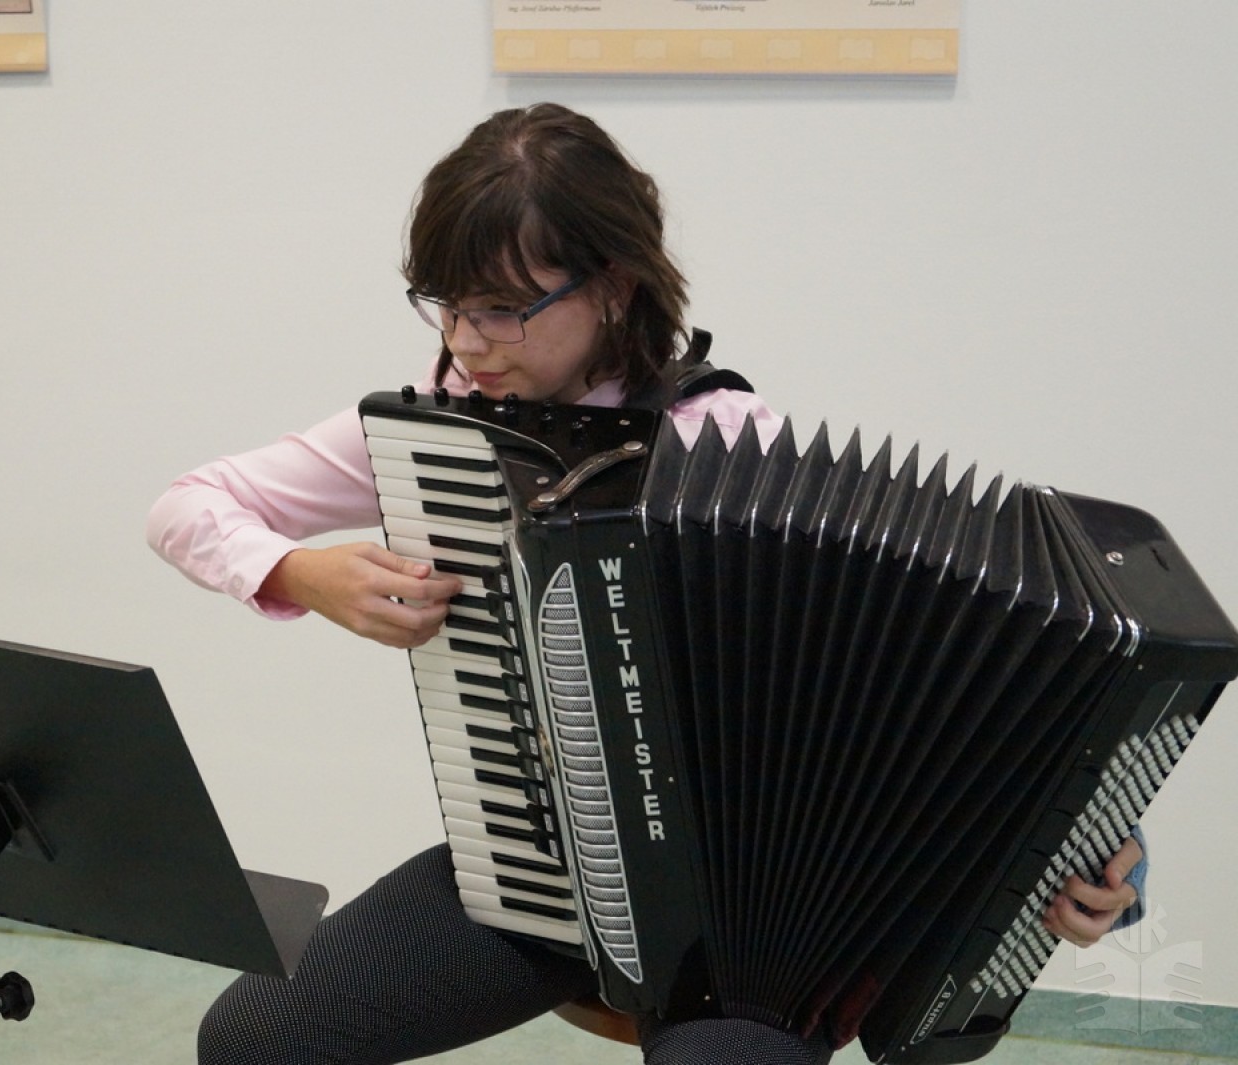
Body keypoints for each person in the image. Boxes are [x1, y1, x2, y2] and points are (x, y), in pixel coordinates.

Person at [147, 102, 1147, 1065]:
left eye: (502, 309)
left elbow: (950, 681)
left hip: (749, 929)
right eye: (445, 303)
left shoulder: (725, 447)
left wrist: (1103, 849)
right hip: (541, 869)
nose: (464, 342)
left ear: (613, 288)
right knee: (252, 1039)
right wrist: (300, 570)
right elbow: (187, 506)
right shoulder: (445, 431)